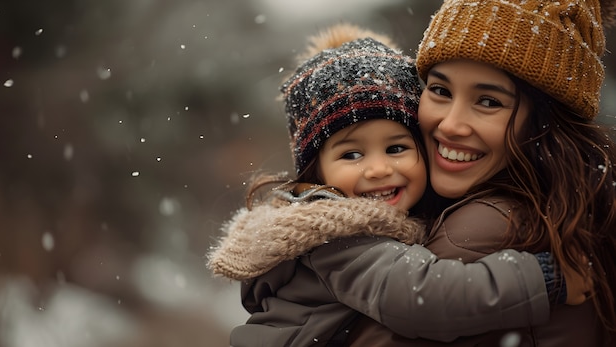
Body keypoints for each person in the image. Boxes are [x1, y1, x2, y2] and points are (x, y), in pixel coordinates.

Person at [207, 23, 588, 346]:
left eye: (395, 147)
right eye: (351, 155)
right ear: (316, 175)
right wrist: (543, 279)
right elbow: (424, 298)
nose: (377, 169)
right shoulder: (336, 235)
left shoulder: (397, 220)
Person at [335, 0, 616, 345]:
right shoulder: (566, 211)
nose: (451, 125)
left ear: (545, 123)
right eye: (440, 90)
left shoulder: (483, 232)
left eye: (488, 101)